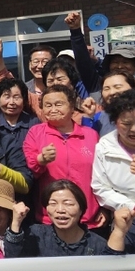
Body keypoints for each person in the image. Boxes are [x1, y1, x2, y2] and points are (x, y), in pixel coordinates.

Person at [23, 85, 101, 228]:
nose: (53, 109)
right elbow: (30, 171)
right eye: (47, 105)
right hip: (50, 218)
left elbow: (102, 175)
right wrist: (41, 160)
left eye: (59, 104)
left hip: (88, 219)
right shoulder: (36, 133)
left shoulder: (91, 135)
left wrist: (104, 208)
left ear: (72, 107)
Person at [4, 180, 115, 257]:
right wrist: (16, 223)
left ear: (81, 209)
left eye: (68, 204)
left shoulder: (97, 244)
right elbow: (12, 258)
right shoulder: (35, 235)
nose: (60, 209)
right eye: (53, 203)